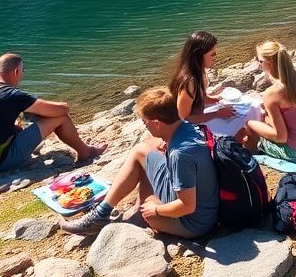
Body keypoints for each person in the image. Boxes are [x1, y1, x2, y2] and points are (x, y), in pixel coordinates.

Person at [60, 87, 219, 237]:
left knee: (148, 212)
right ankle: (102, 213)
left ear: (157, 123)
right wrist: (167, 143)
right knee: (144, 149)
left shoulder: (179, 155)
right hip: (203, 202)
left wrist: (155, 209)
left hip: (193, 223)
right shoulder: (185, 124)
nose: (145, 127)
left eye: (145, 123)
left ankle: (104, 216)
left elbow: (187, 206)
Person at [0, 52, 107, 173]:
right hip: (0, 161)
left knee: (23, 120)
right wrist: (63, 105)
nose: (23, 74)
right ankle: (86, 152)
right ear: (16, 71)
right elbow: (61, 110)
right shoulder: (11, 95)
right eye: (23, 70)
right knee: (60, 117)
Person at [243, 41, 296, 161]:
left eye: (260, 61)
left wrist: (254, 122)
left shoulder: (272, 93)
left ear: (269, 63)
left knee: (250, 124)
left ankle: (252, 156)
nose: (259, 64)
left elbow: (281, 137)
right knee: (266, 118)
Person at [168, 30, 261, 136]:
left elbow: (200, 98)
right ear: (199, 55)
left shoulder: (200, 73)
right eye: (212, 54)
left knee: (252, 107)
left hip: (201, 118)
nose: (215, 57)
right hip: (191, 128)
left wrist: (218, 99)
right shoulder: (190, 82)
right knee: (243, 121)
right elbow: (184, 117)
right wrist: (217, 114)